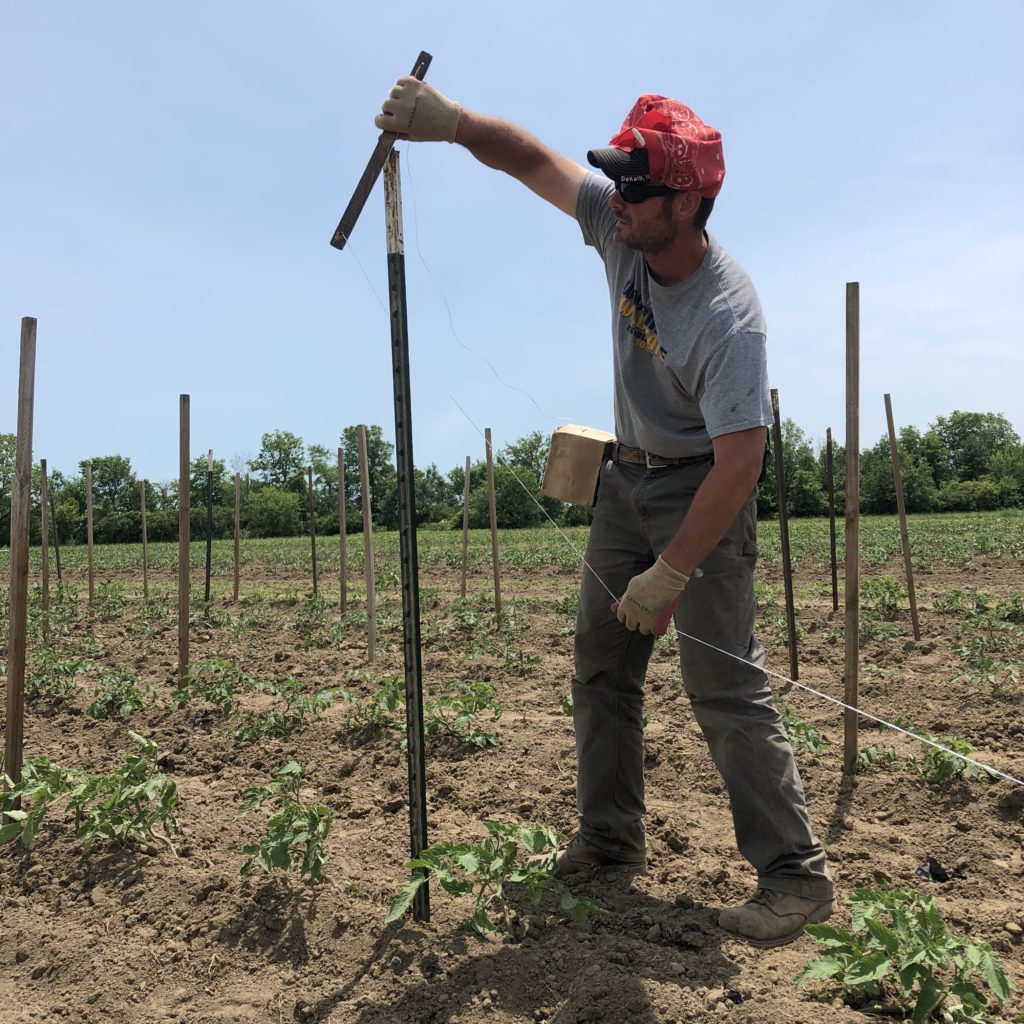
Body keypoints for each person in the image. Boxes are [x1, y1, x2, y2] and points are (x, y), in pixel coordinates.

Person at [374, 78, 833, 947]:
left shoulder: (730, 318)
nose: (615, 198)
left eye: (636, 186)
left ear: (688, 201)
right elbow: (532, 162)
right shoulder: (623, 229)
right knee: (600, 662)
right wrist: (451, 125)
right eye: (616, 182)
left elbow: (742, 460)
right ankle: (612, 839)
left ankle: (795, 878)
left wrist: (670, 572)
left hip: (701, 489)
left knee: (724, 684)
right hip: (625, 480)